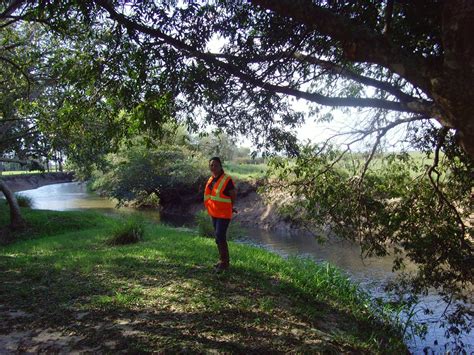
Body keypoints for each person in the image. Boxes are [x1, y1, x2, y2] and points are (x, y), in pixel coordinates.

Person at [204, 157, 236, 272]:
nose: (213, 167)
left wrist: (231, 207)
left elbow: (233, 195)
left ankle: (225, 263)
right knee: (218, 238)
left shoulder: (227, 179)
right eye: (211, 165)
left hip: (224, 214)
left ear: (220, 166)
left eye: (215, 165)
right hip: (214, 213)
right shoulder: (211, 179)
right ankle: (222, 260)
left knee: (220, 235)